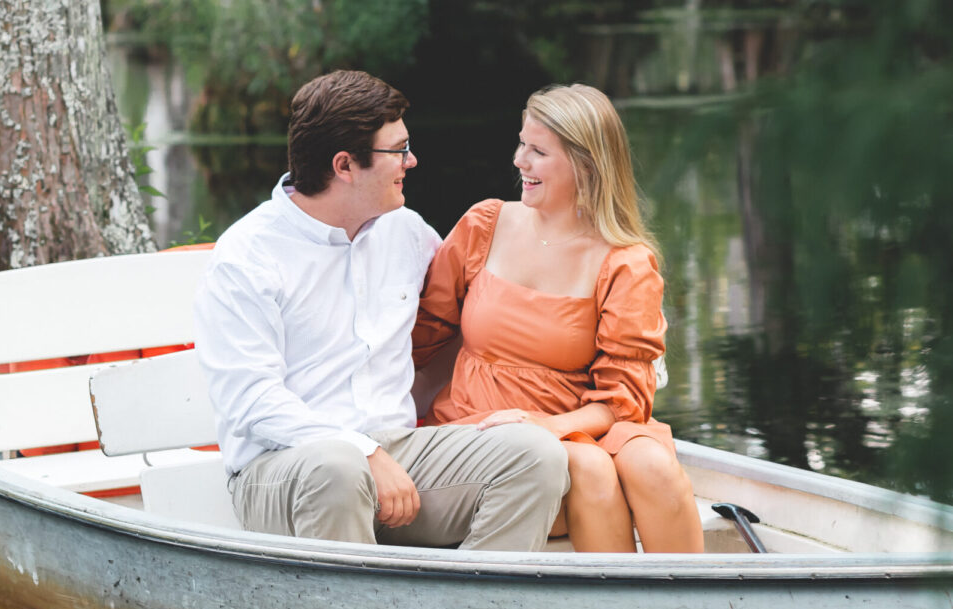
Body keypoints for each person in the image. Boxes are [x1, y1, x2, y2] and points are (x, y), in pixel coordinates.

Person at [193, 70, 569, 551]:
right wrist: (363, 451)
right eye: (398, 150)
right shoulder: (247, 257)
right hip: (284, 468)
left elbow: (486, 306)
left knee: (535, 455)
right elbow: (250, 400)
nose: (412, 161)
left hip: (399, 452)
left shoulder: (407, 233)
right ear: (345, 165)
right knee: (337, 468)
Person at [412, 83, 704, 553]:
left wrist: (545, 424)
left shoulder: (625, 262)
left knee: (651, 465)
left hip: (580, 420)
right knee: (586, 468)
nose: (518, 160)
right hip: (482, 424)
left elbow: (622, 400)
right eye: (521, 143)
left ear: (585, 164)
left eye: (537, 151)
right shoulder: (483, 226)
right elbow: (416, 339)